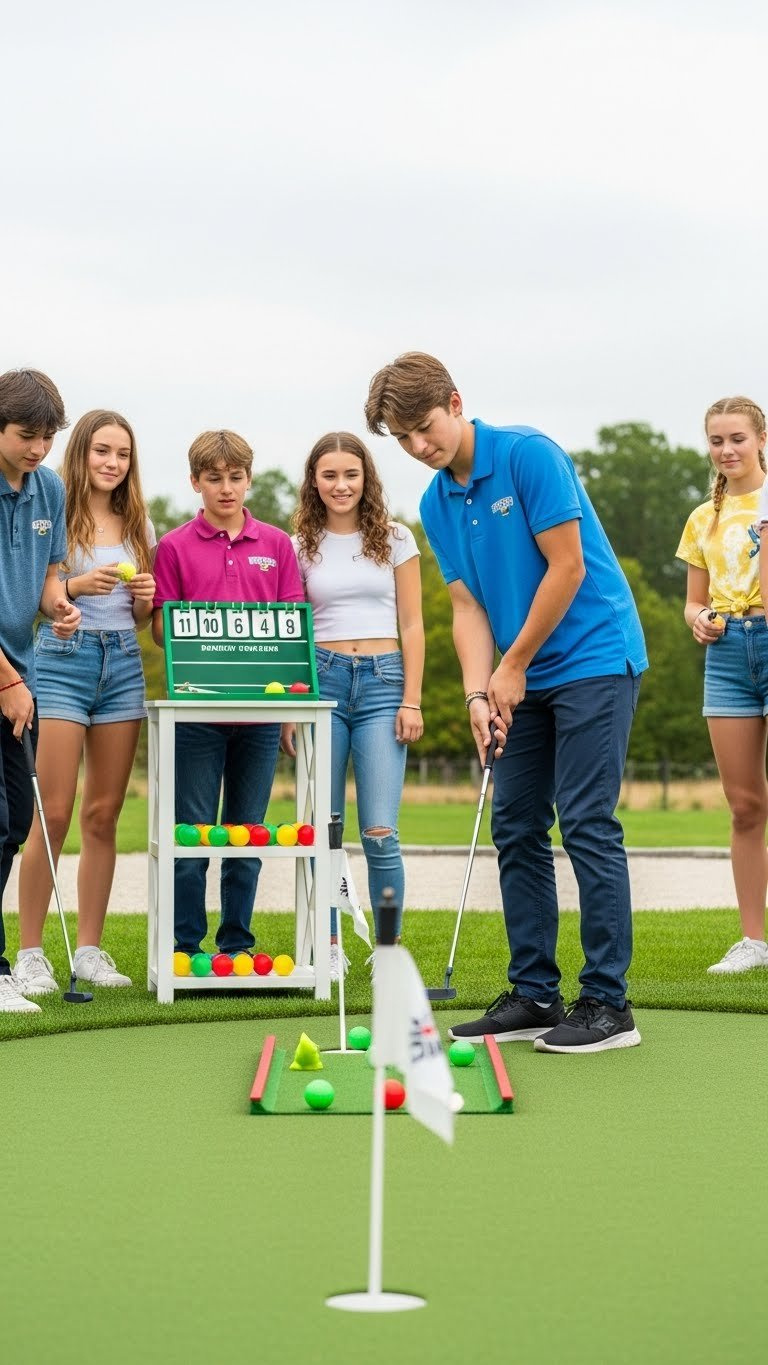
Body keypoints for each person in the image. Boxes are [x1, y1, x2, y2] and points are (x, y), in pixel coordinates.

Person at [365, 351, 648, 1053]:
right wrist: (475, 689)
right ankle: (535, 992)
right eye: (402, 440)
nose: (418, 447)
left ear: (455, 402)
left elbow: (569, 565)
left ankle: (609, 1004)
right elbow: (467, 608)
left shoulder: (528, 456)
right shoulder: (435, 501)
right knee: (517, 825)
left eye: (423, 428)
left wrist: (514, 665)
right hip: (517, 675)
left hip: (591, 657)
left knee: (585, 820)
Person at [14, 411, 156, 997]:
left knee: (104, 816)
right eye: (102, 451)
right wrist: (74, 589)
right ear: (81, 453)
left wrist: (144, 596)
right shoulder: (52, 512)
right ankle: (28, 954)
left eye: (122, 454)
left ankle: (90, 950)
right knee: (52, 814)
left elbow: (145, 623)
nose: (112, 463)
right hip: (61, 663)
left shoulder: (139, 522)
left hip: (122, 665)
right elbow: (36, 597)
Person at [152, 430, 303, 958]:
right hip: (195, 712)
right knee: (190, 840)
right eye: (213, 478)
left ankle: (237, 945)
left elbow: (292, 632)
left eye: (235, 477)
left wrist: (288, 712)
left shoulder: (278, 545)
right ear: (195, 482)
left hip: (261, 717)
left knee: (249, 838)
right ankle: (187, 949)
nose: (225, 488)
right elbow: (159, 629)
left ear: (249, 479)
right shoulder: (172, 546)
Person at [290, 432, 425, 978]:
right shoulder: (298, 543)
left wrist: (411, 699)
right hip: (321, 681)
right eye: (329, 475)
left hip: (383, 683)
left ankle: (388, 949)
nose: (341, 485)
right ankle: (329, 943)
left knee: (380, 831)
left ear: (365, 478)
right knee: (325, 825)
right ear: (314, 482)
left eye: (351, 474)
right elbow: (294, 631)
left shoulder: (395, 538)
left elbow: (414, 624)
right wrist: (295, 706)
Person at [677, 396, 768, 976]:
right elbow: (692, 601)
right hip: (729, 656)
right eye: (717, 441)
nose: (727, 450)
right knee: (744, 806)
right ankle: (753, 941)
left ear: (761, 438)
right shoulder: (702, 517)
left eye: (737, 438)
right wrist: (699, 621)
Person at [0, 368, 81, 1015]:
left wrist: (58, 605)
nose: (39, 449)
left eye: (49, 437)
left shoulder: (49, 487)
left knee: (11, 825)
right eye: (28, 436)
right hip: (7, 677)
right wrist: (8, 681)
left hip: (18, 670)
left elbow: (53, 573)